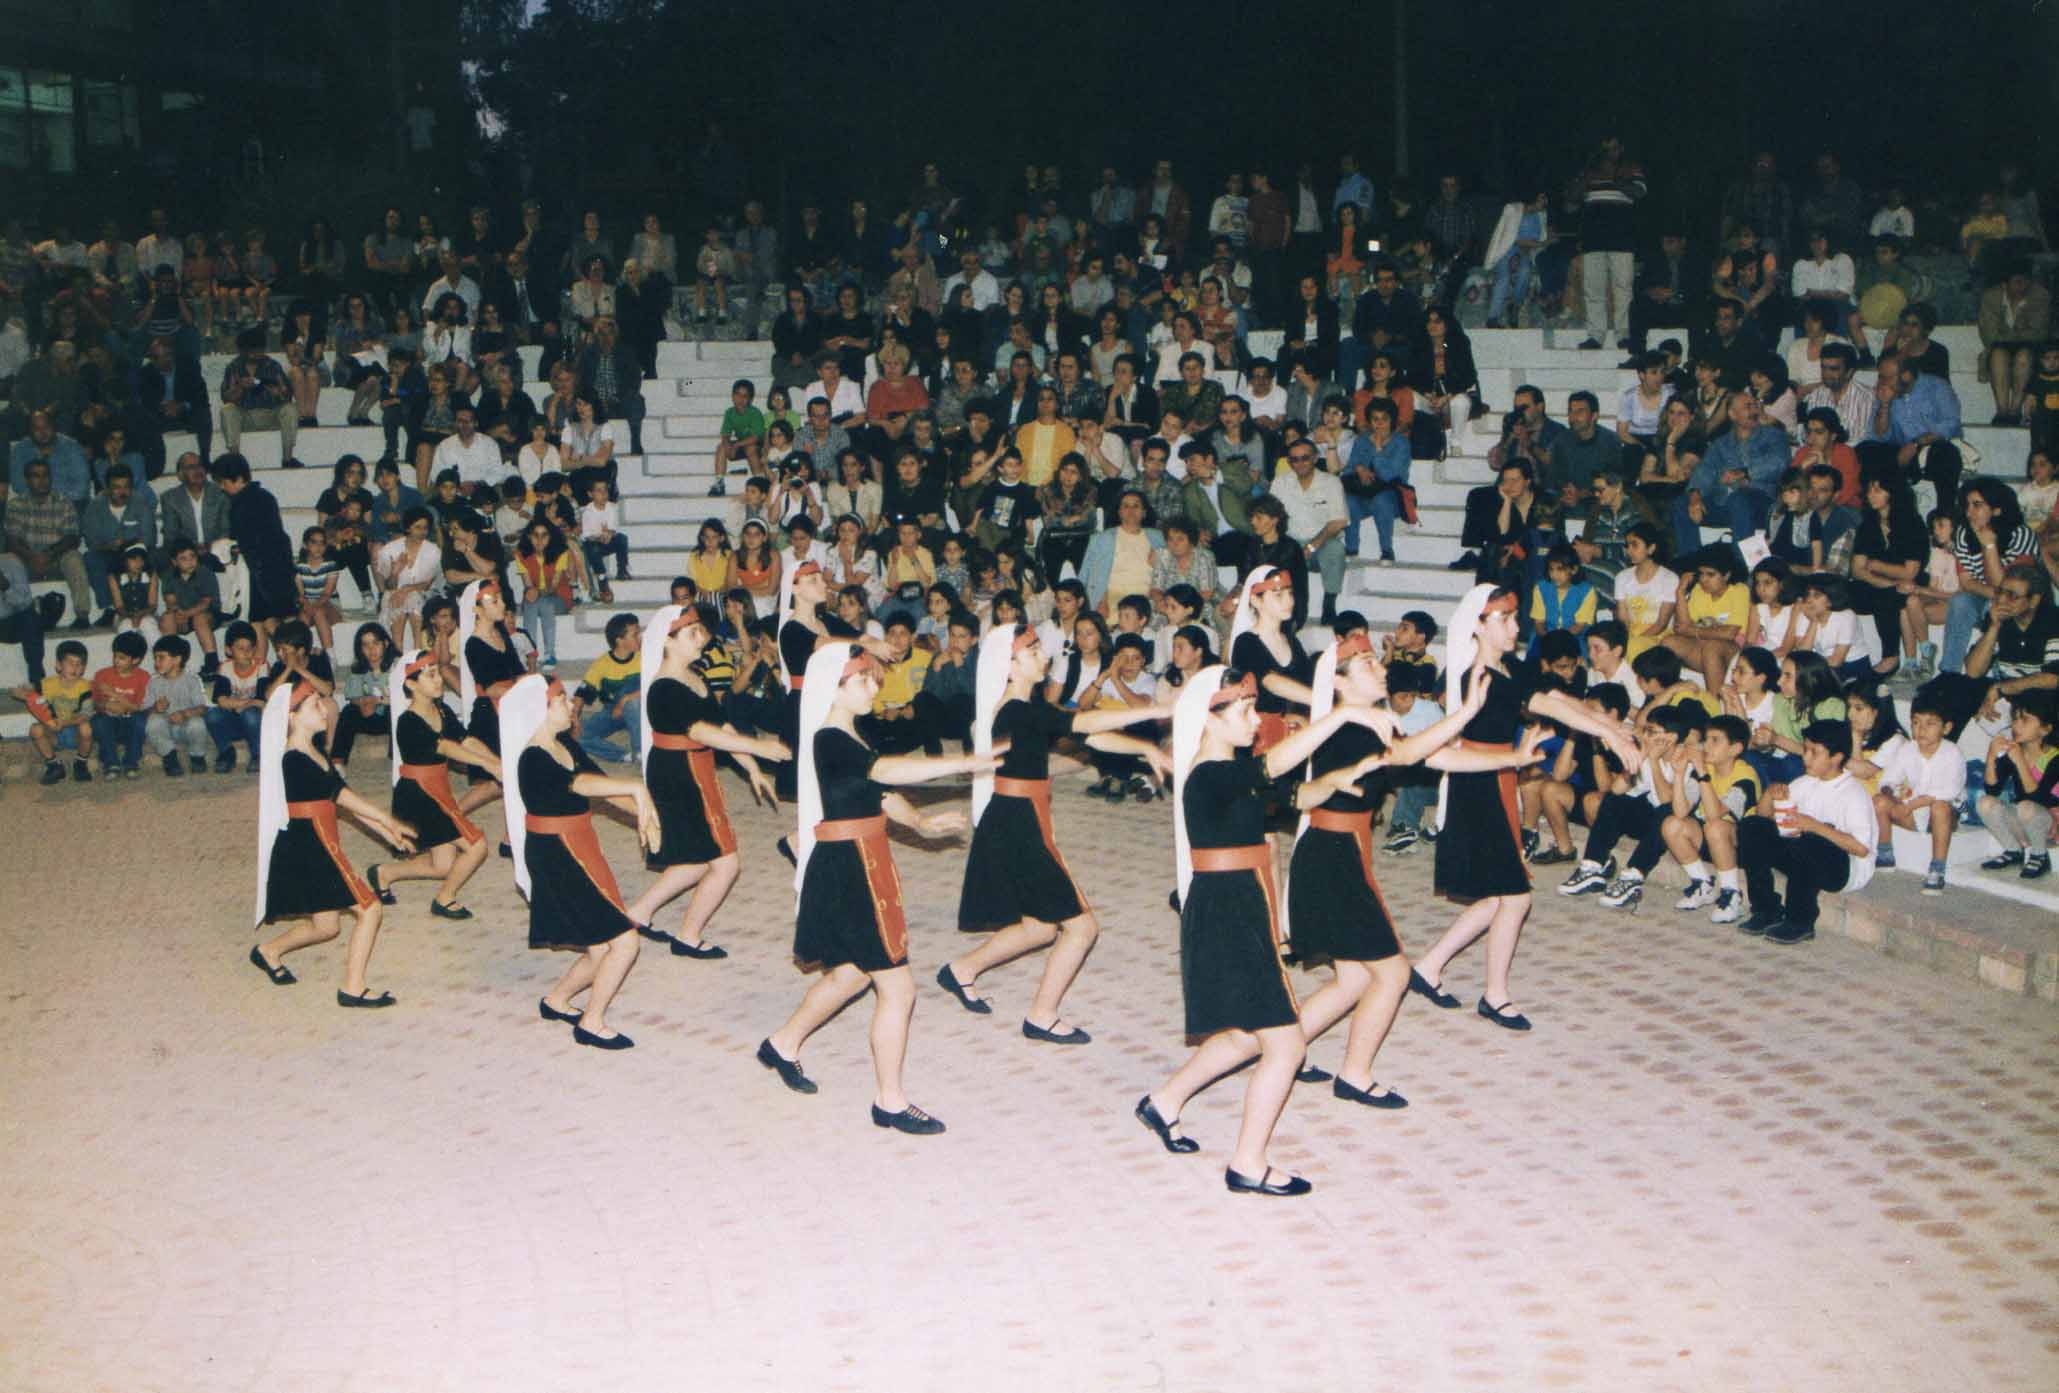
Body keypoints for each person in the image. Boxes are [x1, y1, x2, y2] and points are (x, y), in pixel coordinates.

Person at [1288, 630, 1543, 1102]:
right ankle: (1354, 1076)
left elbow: (1440, 756)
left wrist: (1514, 757)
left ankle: (1284, 1050)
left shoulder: (1373, 721)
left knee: (1354, 979)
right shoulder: (1348, 726)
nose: (1381, 668)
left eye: (1377, 660)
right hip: (1332, 857)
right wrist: (1466, 711)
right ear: (1339, 682)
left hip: (1339, 852)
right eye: (1367, 664)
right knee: (1392, 974)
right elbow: (1409, 754)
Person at [758, 644, 994, 1133]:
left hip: (859, 861)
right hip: (849, 868)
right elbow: (884, 772)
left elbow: (881, 793)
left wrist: (922, 823)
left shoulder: (851, 733)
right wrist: (962, 763)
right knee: (898, 987)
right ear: (835, 688)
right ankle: (890, 1102)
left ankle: (782, 1044)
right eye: (863, 679)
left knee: (850, 975)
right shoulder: (828, 738)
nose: (874, 686)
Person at [1407, 586, 1640, 1028]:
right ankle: (1494, 995)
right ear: (1478, 625)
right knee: (1514, 897)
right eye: (1505, 619)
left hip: (1497, 778)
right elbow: (1547, 705)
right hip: (1478, 784)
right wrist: (1607, 734)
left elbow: (1559, 698)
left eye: (1516, 618)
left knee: (1499, 896)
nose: (1516, 627)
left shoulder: (1508, 666)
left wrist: (1611, 726)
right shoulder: (1480, 677)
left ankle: (1428, 967)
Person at [941, 623, 1171, 1040]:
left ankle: (962, 970)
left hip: (1018, 817)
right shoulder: (1017, 711)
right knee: (1082, 927)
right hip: (1017, 824)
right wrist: (1151, 712)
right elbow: (1084, 722)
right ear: (1010, 666)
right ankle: (1041, 1016)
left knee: (1041, 926)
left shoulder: (1025, 707)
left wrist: (1144, 746)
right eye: (1032, 653)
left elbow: (1093, 738)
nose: (1044, 657)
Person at [1132, 667, 1309, 1195]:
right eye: (1246, 711)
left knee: (1242, 1034)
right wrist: (1340, 713)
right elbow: (1272, 764)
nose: (1256, 721)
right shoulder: (1210, 772)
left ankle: (1164, 1102)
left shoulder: (1227, 770)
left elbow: (1289, 791)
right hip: (1228, 909)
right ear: (1210, 719)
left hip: (1238, 903)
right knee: (1287, 1045)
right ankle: (1248, 1164)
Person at [502, 674, 660, 1049]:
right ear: (539, 710)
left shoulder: (565, 744)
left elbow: (600, 784)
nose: (571, 704)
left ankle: (556, 1000)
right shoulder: (533, 758)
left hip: (579, 844)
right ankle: (591, 1022)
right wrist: (636, 787)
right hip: (556, 853)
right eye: (560, 700)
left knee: (600, 945)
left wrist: (648, 815)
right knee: (624, 942)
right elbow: (579, 785)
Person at [623, 605, 789, 958]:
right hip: (679, 775)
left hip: (694, 769)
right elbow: (700, 732)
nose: (702, 639)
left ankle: (638, 912)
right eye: (692, 633)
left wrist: (752, 768)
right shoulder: (664, 688)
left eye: (700, 631)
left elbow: (722, 726)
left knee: (697, 858)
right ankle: (688, 936)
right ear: (668, 642)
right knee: (726, 863)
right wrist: (760, 747)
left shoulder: (694, 676)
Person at [247, 679, 415, 1005]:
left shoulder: (315, 750)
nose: (325, 710)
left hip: (321, 841)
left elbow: (341, 800)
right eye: (315, 705)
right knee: (370, 908)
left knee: (326, 926)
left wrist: (386, 833)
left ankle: (268, 951)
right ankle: (353, 988)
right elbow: (340, 796)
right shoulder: (293, 759)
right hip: (310, 849)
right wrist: (387, 819)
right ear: (292, 716)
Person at [368, 649, 498, 916]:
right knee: (477, 846)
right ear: (411, 684)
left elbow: (466, 740)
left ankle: (383, 873)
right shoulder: (407, 722)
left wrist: (496, 762)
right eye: (431, 675)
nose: (439, 680)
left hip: (437, 790)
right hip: (419, 795)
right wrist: (485, 764)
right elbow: (446, 747)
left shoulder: (442, 710)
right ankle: (444, 899)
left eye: (438, 673)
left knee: (443, 866)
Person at [1736, 721, 1877, 945]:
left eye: (1814, 752)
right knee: (1752, 826)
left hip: (1844, 870)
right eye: (1806, 750)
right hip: (1803, 855)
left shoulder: (1853, 793)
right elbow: (1764, 817)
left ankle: (1800, 921)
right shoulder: (1805, 782)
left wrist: (1814, 826)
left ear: (1836, 757)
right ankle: (1766, 910)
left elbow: (1861, 849)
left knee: (1809, 841)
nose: (1806, 758)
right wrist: (1769, 795)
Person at [1975, 696, 2057, 880]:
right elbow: (1993, 790)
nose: (2016, 725)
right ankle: (2013, 850)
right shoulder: (2014, 752)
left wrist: (2020, 761)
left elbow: (2039, 798)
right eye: (2015, 719)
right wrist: (1991, 757)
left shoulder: (2054, 758)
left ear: (2045, 729)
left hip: (2050, 825)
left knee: (2026, 806)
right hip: (2026, 819)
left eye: (2025, 720)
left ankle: (2040, 855)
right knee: (1985, 803)